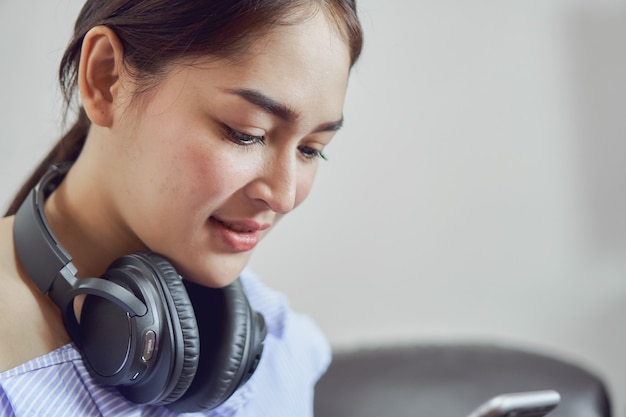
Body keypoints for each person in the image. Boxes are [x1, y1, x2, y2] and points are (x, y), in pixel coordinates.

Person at [0, 0, 363, 415]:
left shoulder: (282, 348)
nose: (283, 196)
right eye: (246, 133)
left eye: (312, 150)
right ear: (106, 79)